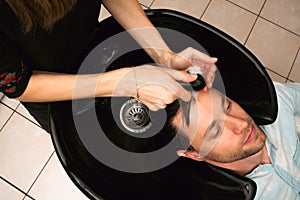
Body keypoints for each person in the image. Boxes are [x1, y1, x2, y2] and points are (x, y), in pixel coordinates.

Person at [0, 0, 217, 132]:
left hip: (91, 47)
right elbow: (20, 84)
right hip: (52, 92)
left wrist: (163, 54)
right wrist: (123, 82)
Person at [167, 81, 300, 199]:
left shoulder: (278, 101)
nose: (242, 124)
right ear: (194, 154)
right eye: (216, 131)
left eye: (228, 106)